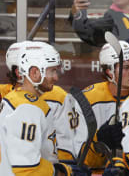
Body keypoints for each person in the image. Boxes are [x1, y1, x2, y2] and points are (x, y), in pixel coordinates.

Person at [0, 42, 87, 175]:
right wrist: (61, 172)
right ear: (35, 72)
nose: (56, 77)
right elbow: (24, 168)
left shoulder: (23, 101)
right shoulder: (26, 108)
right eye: (51, 71)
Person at [69, 40, 129, 168]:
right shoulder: (88, 99)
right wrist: (99, 140)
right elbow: (82, 157)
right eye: (126, 67)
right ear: (109, 72)